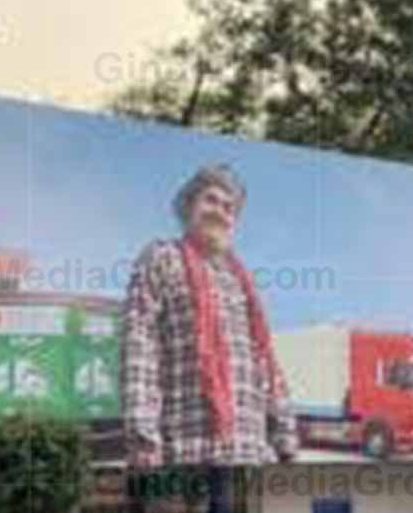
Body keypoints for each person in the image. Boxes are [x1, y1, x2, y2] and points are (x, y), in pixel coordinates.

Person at [119, 163, 298, 470]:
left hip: (247, 449)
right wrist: (143, 436)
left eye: (229, 208)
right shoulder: (162, 257)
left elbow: (263, 361)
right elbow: (139, 344)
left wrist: (284, 434)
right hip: (186, 446)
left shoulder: (240, 277)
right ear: (189, 206)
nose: (220, 212)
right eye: (211, 200)